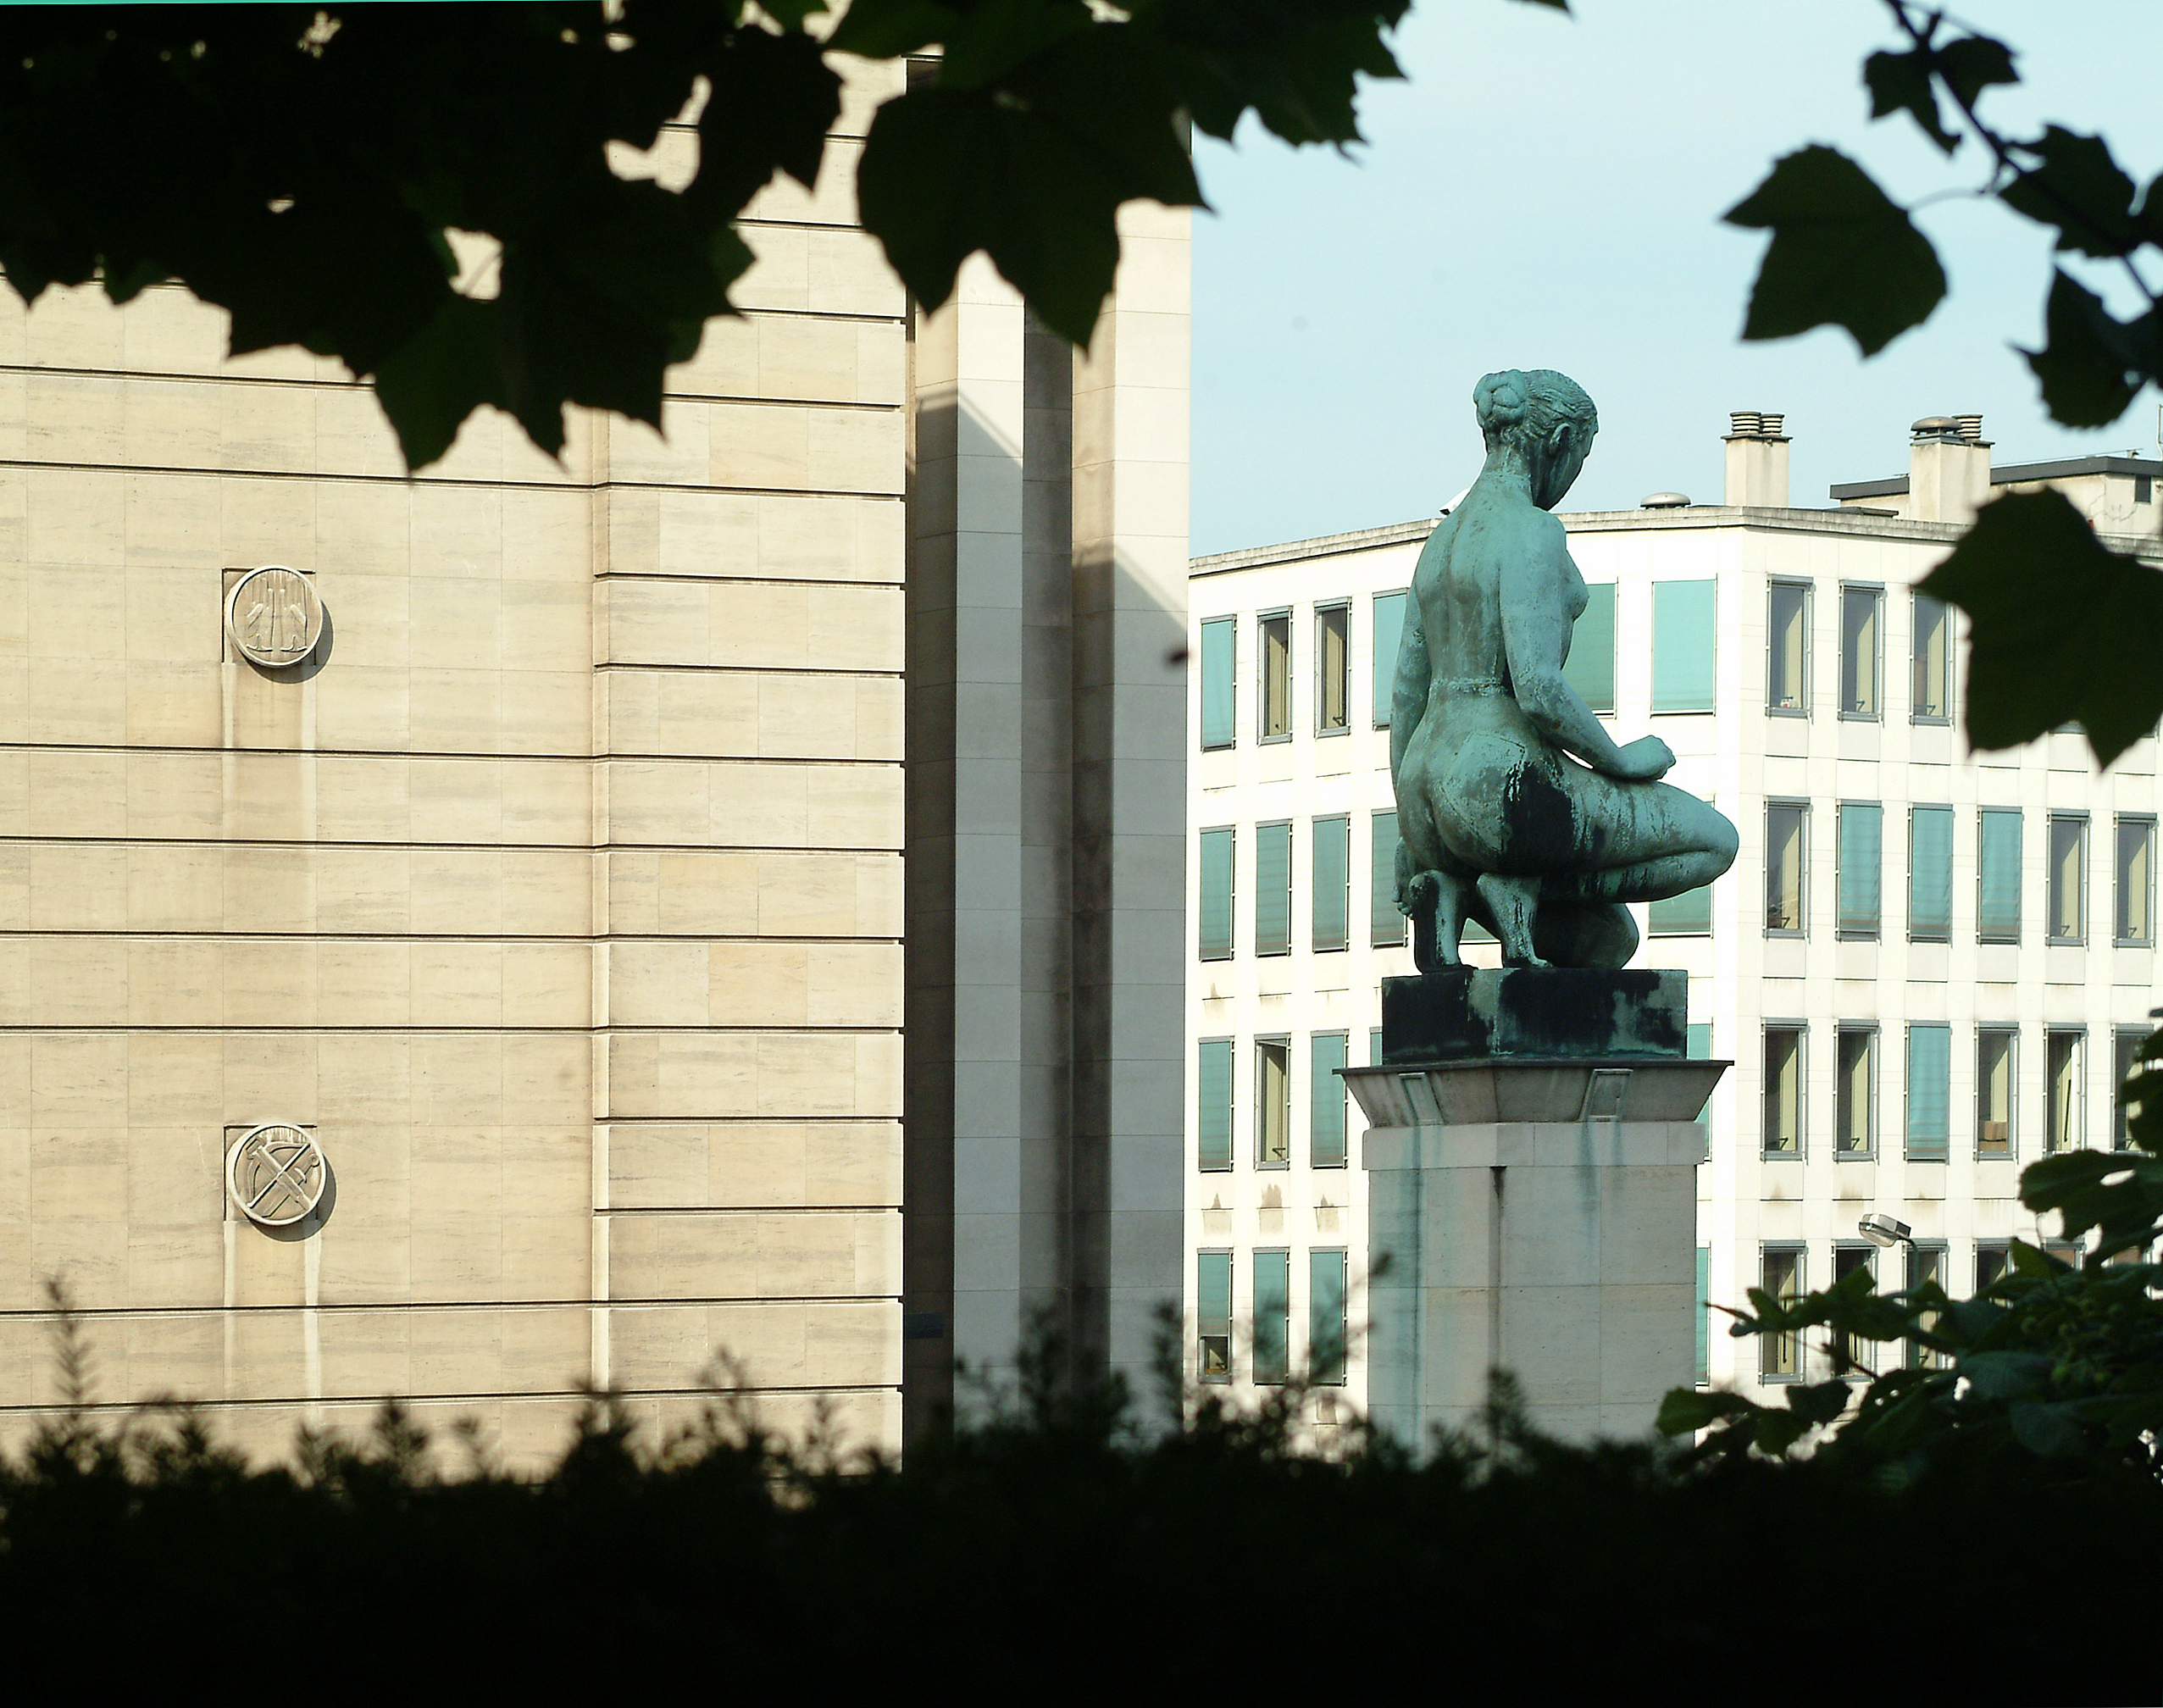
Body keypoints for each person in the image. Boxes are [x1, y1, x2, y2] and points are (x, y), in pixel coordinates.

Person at [1391, 368, 1738, 968]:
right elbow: (1538, 689)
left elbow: (1404, 697)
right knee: (1715, 841)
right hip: (1500, 776)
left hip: (1424, 782)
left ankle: (1455, 890)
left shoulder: (1440, 544)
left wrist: (1411, 829)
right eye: (1580, 455)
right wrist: (1620, 759)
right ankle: (1517, 887)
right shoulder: (1532, 530)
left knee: (1607, 942)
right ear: (1557, 444)